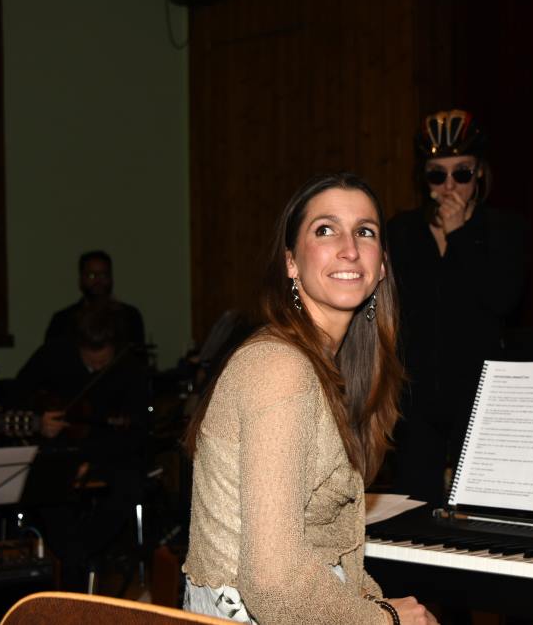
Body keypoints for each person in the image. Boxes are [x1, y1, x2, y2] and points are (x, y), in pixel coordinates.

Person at [182, 173, 437, 625]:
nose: (349, 248)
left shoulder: (327, 368)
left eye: (365, 231)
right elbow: (274, 584)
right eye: (325, 230)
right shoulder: (280, 368)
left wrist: (379, 605)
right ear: (291, 263)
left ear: (381, 266)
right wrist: (386, 620)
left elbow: (323, 552)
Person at [387, 109, 528, 506]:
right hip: (415, 399)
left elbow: (502, 299)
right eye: (437, 175)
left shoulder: (504, 229)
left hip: (480, 396)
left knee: (481, 507)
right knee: (413, 507)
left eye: (461, 174)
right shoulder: (402, 231)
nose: (449, 186)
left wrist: (460, 236)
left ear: (479, 172)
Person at [15, 302, 150, 590]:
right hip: (58, 448)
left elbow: (137, 432)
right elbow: (14, 393)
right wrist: (39, 421)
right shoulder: (54, 354)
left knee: (131, 484)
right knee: (47, 488)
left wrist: (93, 460)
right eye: (90, 361)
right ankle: (71, 567)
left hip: (108, 451)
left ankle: (79, 556)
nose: (97, 368)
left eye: (103, 361)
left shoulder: (129, 367)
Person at [44, 250, 145, 346]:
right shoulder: (62, 320)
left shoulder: (129, 317)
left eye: (103, 275)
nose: (98, 281)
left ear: (111, 278)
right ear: (81, 280)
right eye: (91, 276)